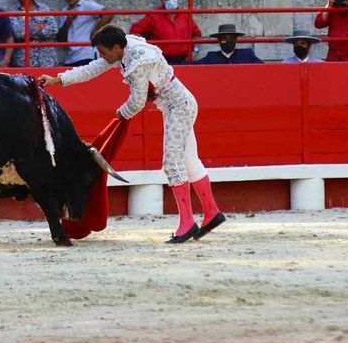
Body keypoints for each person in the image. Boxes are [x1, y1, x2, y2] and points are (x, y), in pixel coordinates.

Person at [39, 25, 226, 244]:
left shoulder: (137, 60)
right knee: (189, 161)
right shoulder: (124, 48)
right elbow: (91, 69)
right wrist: (58, 79)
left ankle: (187, 222)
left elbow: (137, 102)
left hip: (178, 106)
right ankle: (212, 212)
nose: (103, 57)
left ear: (116, 47)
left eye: (104, 52)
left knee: (172, 163)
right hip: (179, 104)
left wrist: (122, 113)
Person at [130, 0, 202, 64]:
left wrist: (194, 52)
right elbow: (134, 32)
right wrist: (147, 52)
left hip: (184, 60)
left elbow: (197, 34)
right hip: (162, 61)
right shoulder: (154, 16)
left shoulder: (185, 15)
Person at [58, 0, 114, 66]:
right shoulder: (64, 11)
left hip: (86, 55)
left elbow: (109, 14)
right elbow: (61, 39)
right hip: (70, 58)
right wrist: (68, 21)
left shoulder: (87, 5)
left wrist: (95, 31)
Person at [8, 0, 59, 68]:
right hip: (24, 62)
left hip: (47, 60)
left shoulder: (43, 7)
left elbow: (53, 29)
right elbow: (19, 33)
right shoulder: (12, 10)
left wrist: (30, 32)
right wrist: (40, 27)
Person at [195, 23, 263, 64]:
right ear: (219, 40)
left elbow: (265, 67)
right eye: (224, 38)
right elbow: (191, 66)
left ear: (236, 39)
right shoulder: (211, 57)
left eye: (231, 38)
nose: (228, 41)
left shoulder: (247, 55)